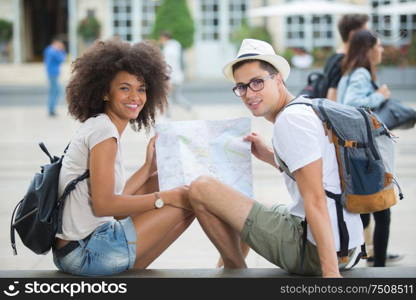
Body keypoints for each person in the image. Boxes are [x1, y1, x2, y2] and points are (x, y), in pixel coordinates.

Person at [188, 39, 364, 277]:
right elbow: (320, 175)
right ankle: (228, 268)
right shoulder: (305, 108)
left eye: (257, 82)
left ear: (278, 79)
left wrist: (330, 275)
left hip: (316, 253)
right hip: (346, 247)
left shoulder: (290, 122)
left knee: (201, 188)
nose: (249, 94)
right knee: (261, 209)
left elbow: (316, 199)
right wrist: (270, 156)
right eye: (241, 87)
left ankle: (234, 270)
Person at [53, 39, 194, 276]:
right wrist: (164, 198)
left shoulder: (101, 126)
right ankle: (232, 267)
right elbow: (105, 205)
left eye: (141, 89)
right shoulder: (104, 132)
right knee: (190, 197)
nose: (135, 97)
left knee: (163, 180)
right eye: (124, 88)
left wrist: (148, 167)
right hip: (87, 252)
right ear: (105, 92)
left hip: (73, 251)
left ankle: (130, 273)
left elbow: (115, 208)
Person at [336, 29, 395, 267]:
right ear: (368, 49)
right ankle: (378, 270)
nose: (381, 50)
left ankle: (347, 260)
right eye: (378, 46)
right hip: (363, 154)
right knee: (381, 210)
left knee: (364, 212)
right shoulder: (360, 73)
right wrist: (379, 95)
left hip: (354, 153)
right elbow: (352, 105)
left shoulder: (349, 73)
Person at [324, 14, 369, 101]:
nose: (368, 37)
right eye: (365, 32)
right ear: (352, 35)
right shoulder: (341, 62)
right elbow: (332, 97)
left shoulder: (334, 57)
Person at [159, 32, 191, 113]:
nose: (160, 40)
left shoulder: (169, 50)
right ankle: (189, 108)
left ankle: (168, 115)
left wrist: (168, 79)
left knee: (168, 97)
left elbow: (169, 66)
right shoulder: (175, 47)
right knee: (176, 97)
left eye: (161, 38)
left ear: (165, 38)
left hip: (173, 78)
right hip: (177, 77)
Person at [43, 38, 67, 117]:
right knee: (55, 91)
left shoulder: (48, 50)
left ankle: (51, 109)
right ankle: (51, 109)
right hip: (53, 73)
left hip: (52, 73)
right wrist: (62, 50)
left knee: (54, 91)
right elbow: (62, 58)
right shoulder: (53, 51)